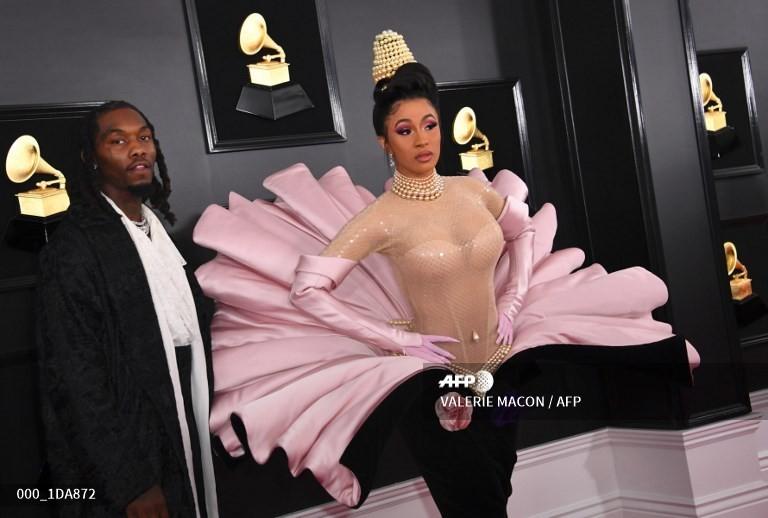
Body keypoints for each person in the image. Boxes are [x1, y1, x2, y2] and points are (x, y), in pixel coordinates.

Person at [193, 31, 699, 517]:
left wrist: (515, 300)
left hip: (502, 367)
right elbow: (308, 290)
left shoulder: (472, 192)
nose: (422, 140)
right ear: (383, 143)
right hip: (437, 383)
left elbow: (522, 234)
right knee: (474, 505)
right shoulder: (381, 217)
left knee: (494, 493)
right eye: (404, 130)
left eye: (430, 125)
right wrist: (396, 340)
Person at [36, 101, 219, 517]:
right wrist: (131, 481)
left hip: (181, 417)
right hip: (131, 448)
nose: (138, 149)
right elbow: (77, 379)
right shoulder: (74, 249)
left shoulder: (156, 232)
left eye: (144, 137)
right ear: (90, 158)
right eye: (117, 141)